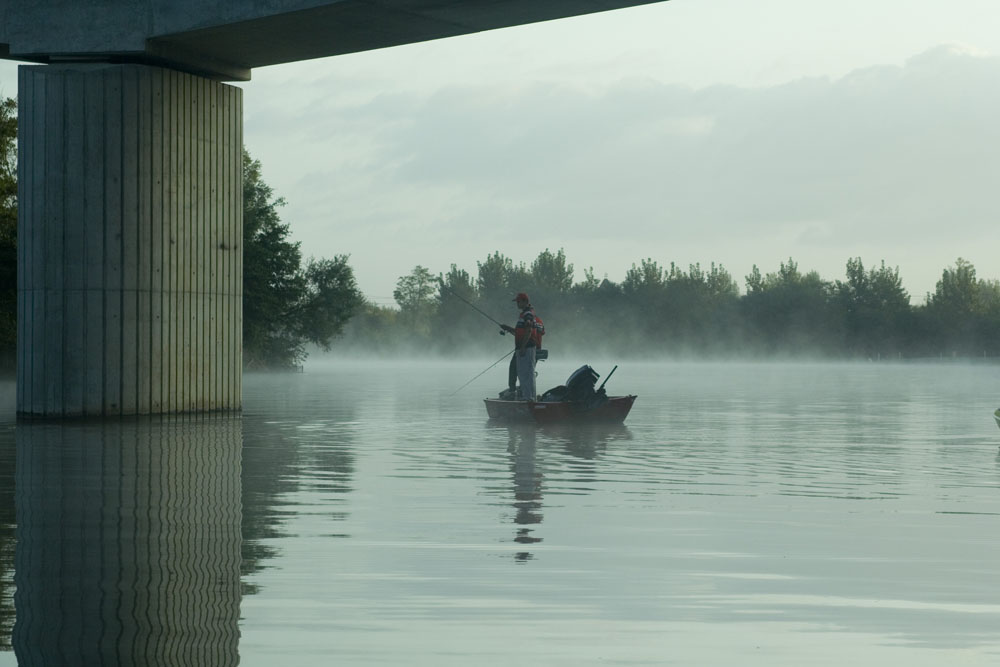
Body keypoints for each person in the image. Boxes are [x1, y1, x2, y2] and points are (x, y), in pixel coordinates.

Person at [500, 293, 544, 401]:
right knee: (524, 374)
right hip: (524, 349)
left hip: (526, 349)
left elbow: (529, 330)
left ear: (525, 301)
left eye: (518, 302)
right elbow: (520, 332)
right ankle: (528, 397)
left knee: (526, 374)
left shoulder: (528, 314)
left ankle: (528, 399)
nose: (517, 304)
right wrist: (507, 328)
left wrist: (523, 347)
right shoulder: (525, 314)